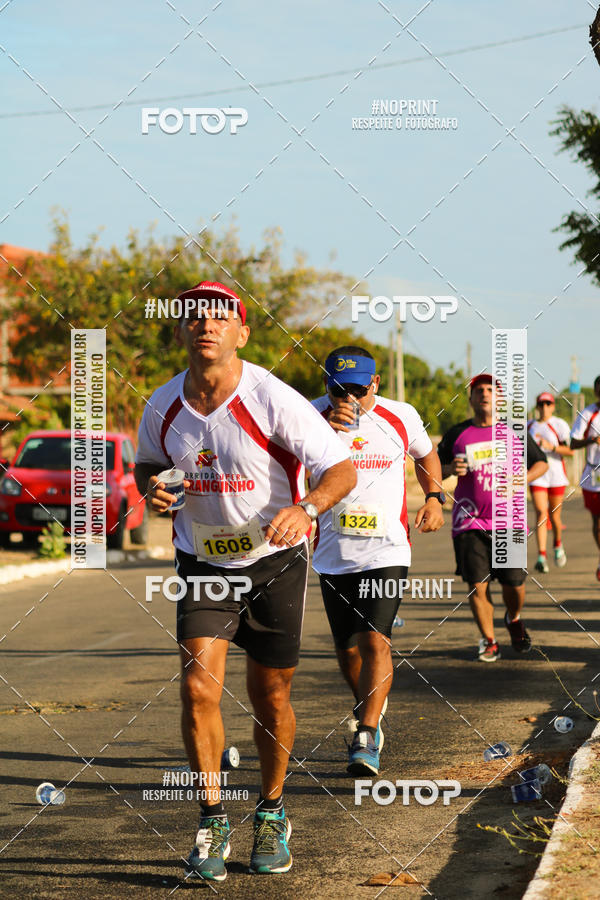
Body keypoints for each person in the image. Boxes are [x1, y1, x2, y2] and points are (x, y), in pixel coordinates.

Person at [134, 281, 356, 882]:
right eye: (194, 318)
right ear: (180, 332)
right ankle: (210, 819)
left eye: (220, 317)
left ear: (241, 333)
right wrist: (151, 488)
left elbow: (340, 467)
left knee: (271, 696)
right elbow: (147, 464)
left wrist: (307, 508)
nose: (206, 325)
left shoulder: (270, 397)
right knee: (199, 689)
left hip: (274, 561)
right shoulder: (162, 404)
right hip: (202, 561)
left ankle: (272, 811)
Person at [310, 346, 444, 776]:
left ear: (375, 383)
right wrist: (319, 433)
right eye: (338, 389)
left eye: (357, 389)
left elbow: (426, 455)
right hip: (332, 553)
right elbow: (281, 469)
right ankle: (371, 704)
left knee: (374, 640)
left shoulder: (400, 415)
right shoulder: (307, 416)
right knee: (347, 650)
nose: (347, 398)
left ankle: (366, 731)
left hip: (386, 548)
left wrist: (435, 497)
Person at [437, 374, 548, 662]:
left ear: (499, 398)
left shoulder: (515, 431)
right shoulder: (456, 434)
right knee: (477, 584)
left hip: (509, 522)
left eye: (490, 390)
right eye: (479, 391)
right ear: (471, 398)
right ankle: (489, 641)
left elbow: (541, 464)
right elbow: (433, 468)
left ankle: (513, 618)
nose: (485, 394)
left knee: (514, 585)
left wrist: (521, 478)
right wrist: (451, 469)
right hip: (469, 522)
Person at [528, 392, 573, 573]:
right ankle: (541, 556)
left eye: (548, 404)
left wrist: (551, 447)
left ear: (553, 406)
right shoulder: (529, 425)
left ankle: (557, 545)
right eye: (541, 404)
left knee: (554, 517)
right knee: (541, 513)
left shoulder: (559, 424)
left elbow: (570, 450)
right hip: (537, 475)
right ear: (537, 406)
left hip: (556, 476)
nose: (544, 407)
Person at [570, 375, 600, 581]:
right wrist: (592, 440)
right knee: (598, 523)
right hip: (594, 475)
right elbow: (573, 443)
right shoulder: (588, 413)